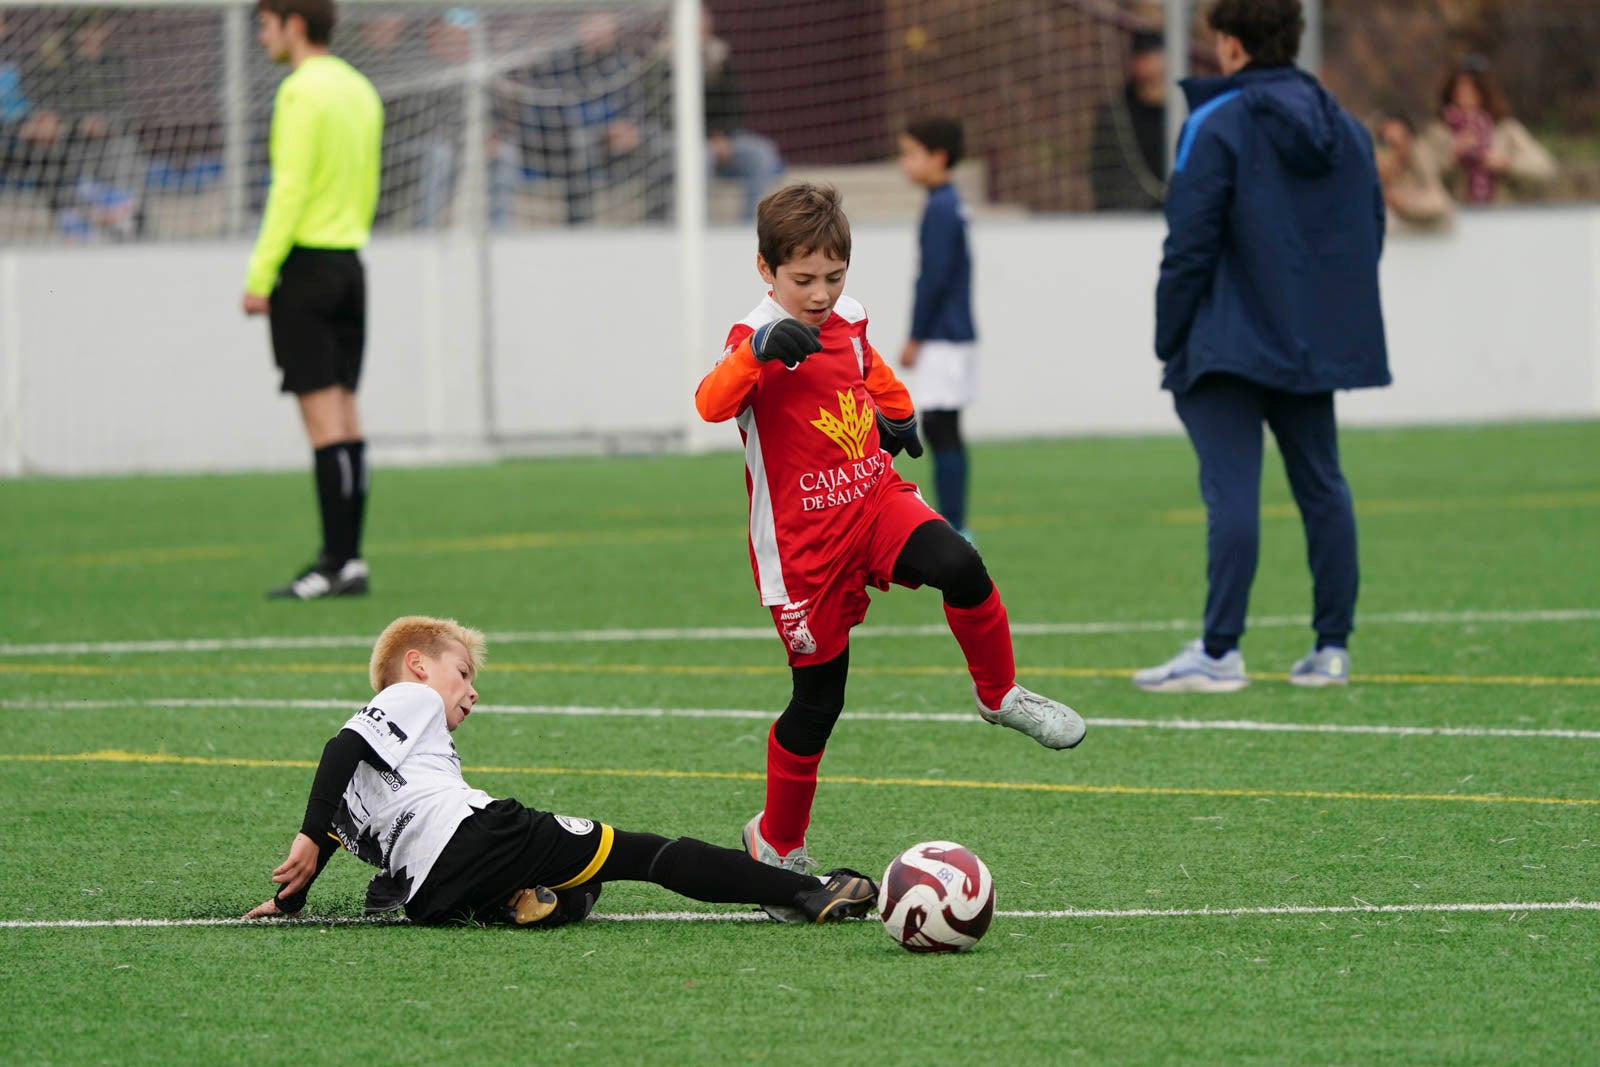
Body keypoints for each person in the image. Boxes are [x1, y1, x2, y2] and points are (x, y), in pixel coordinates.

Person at [694, 183, 1084, 913]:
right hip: (803, 548)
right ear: (765, 269)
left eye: (833, 276)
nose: (819, 294)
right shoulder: (751, 338)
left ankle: (1000, 695)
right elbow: (710, 401)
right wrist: (757, 356)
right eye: (802, 280)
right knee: (819, 700)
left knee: (960, 564)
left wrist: (898, 415)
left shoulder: (848, 315)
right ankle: (775, 845)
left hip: (872, 500)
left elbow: (868, 366)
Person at [243, 615, 879, 926]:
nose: (471, 691)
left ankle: (520, 902)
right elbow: (339, 747)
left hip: (429, 894)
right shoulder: (408, 698)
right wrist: (303, 834)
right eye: (463, 673)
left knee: (575, 893)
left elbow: (332, 821)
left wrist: (289, 899)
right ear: (416, 665)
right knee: (642, 854)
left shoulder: (371, 777)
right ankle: (804, 889)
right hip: (480, 834)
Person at [1136, 0, 1389, 693]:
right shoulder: (1347, 128)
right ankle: (1331, 648)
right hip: (1309, 342)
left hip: (1226, 343)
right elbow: (1370, 230)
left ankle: (1220, 652)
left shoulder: (1215, 122)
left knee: (1233, 496)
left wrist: (1169, 334)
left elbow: (1187, 244)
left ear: (1234, 47)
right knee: (1323, 487)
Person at [243, 0, 383, 600]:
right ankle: (351, 560)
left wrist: (260, 272)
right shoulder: (360, 89)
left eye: (265, 24)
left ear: (294, 25)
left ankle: (332, 561)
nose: (261, 36)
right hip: (350, 263)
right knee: (347, 417)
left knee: (323, 425)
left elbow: (290, 187)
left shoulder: (302, 91)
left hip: (306, 265)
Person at [897, 117, 977, 538]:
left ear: (938, 157)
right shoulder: (947, 203)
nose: (904, 162)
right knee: (945, 426)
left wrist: (915, 335)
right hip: (953, 334)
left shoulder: (942, 208)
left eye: (911, 153)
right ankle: (955, 521)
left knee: (941, 427)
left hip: (944, 336)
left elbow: (934, 278)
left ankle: (955, 524)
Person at [1422, 58, 1556, 206]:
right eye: (1459, 87)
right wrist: (1453, 156)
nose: (1465, 93)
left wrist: (1506, 165)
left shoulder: (1505, 128)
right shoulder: (1438, 131)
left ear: (1484, 91)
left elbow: (1544, 169)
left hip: (1498, 215)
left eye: (1472, 88)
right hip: (1456, 214)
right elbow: (1420, 174)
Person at [702, 6, 783, 221]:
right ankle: (698, 222)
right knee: (702, 157)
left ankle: (750, 224)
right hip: (688, 141)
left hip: (724, 138)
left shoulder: (719, 57)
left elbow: (734, 107)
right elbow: (666, 113)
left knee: (762, 152)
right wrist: (710, 137)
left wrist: (722, 136)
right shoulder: (664, 61)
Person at [1088, 29, 1167, 212]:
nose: (1147, 64)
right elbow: (1102, 172)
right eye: (1142, 56)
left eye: (1153, 56)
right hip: (1129, 217)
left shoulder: (1186, 113)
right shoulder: (1116, 115)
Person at [1371, 112, 1454, 232]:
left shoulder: (1421, 160)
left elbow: (1438, 205)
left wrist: (1402, 204)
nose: (1396, 147)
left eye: (1400, 140)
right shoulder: (1375, 165)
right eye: (1388, 142)